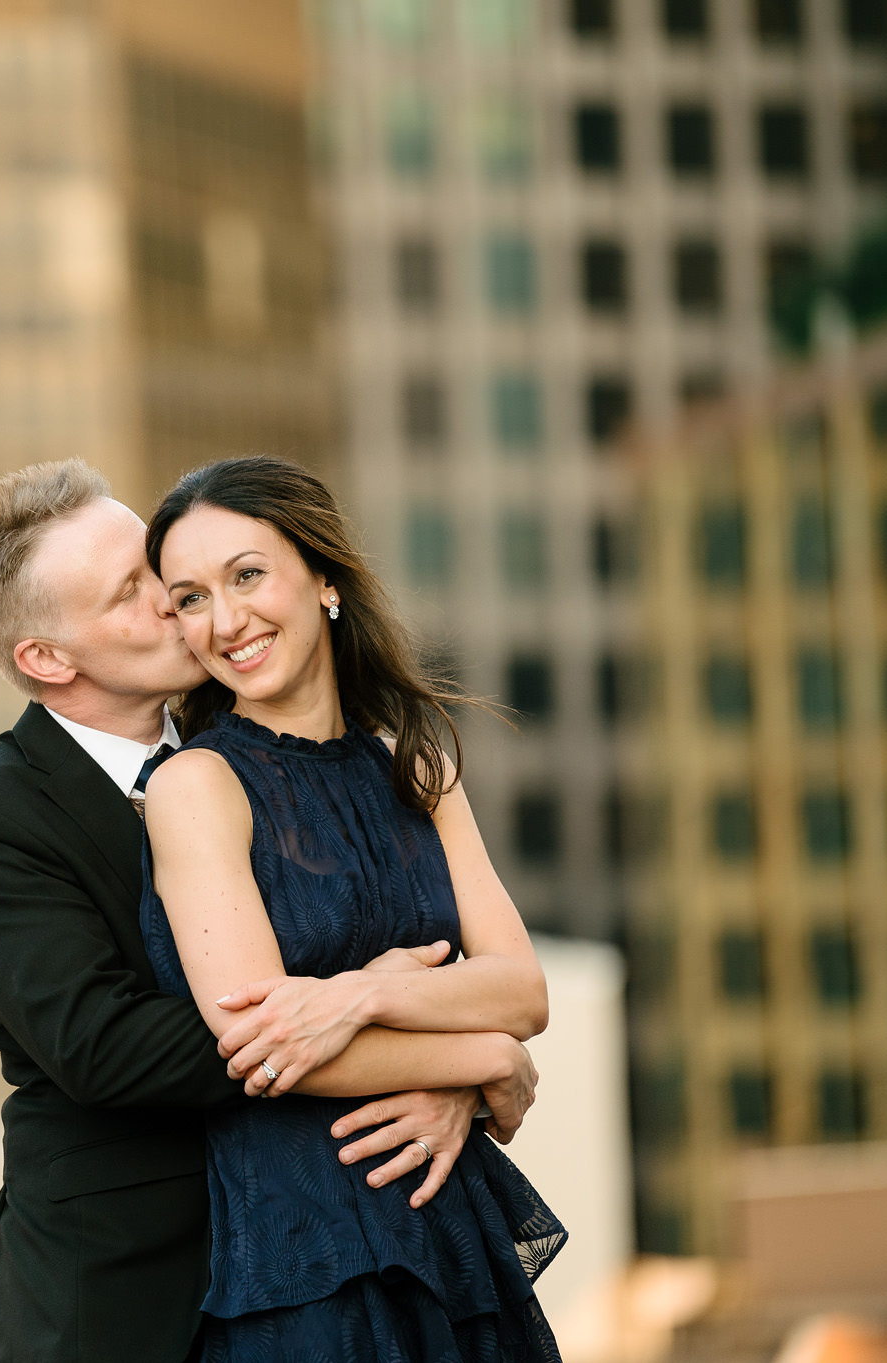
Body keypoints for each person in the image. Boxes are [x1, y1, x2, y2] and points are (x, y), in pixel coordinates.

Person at [0, 460, 544, 1363]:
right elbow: (100, 1045)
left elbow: (486, 974)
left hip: (360, 1225)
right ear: (48, 659)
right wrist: (436, 1042)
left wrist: (436, 1069)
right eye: (137, 592)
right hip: (122, 1286)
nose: (182, 606)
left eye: (165, 575)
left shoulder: (268, 750)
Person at [139, 455, 566, 1361]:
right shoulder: (197, 786)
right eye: (189, 597)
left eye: (248, 575)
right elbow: (266, 1045)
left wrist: (357, 997)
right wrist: (478, 1057)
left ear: (324, 577)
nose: (226, 620)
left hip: (448, 1239)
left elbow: (522, 989)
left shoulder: (418, 766)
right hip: (305, 1263)